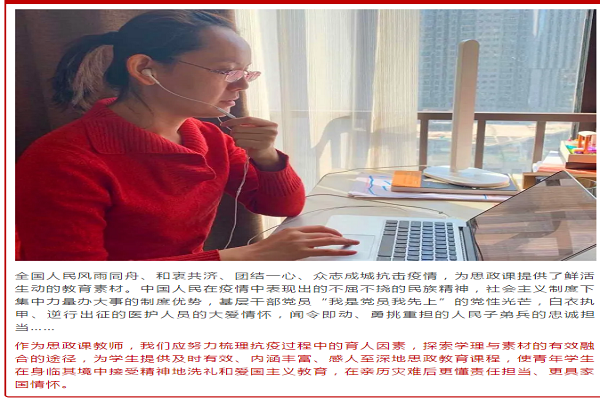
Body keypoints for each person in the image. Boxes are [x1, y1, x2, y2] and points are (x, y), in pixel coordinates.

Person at [16, 10, 360, 261]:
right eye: (226, 71)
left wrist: (267, 155)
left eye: (245, 73)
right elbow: (75, 289)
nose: (242, 85)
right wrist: (246, 257)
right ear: (145, 69)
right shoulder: (62, 162)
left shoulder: (210, 138)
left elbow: (283, 206)